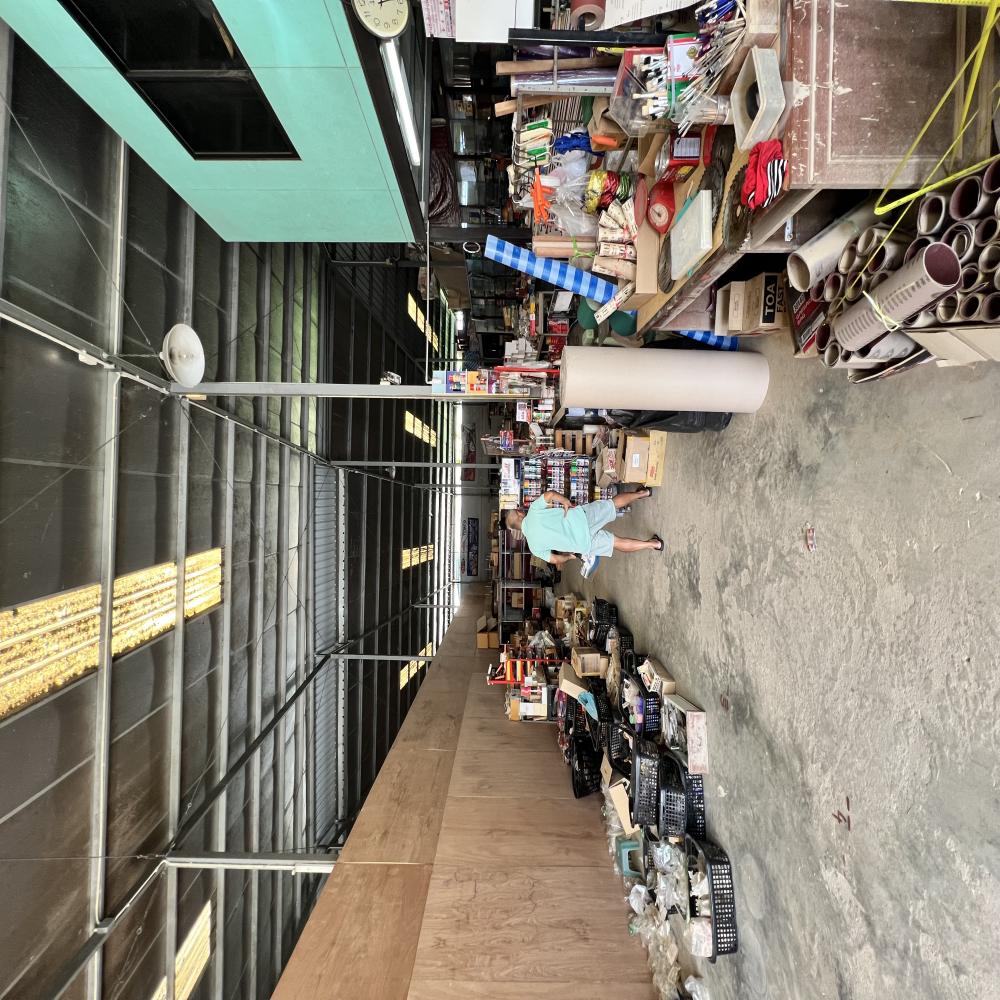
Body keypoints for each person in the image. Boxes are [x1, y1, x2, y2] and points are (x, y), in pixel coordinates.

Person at [504, 488, 663, 570]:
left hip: (583, 544)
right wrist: (564, 501)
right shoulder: (533, 510)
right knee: (612, 504)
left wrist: (569, 557)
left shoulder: (534, 547)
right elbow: (550, 494)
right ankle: (644, 493)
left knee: (616, 543)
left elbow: (555, 560)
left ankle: (653, 544)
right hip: (581, 518)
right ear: (519, 513)